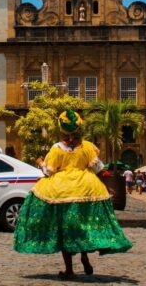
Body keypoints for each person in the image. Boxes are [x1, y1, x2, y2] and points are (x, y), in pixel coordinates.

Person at [13, 109, 132, 279]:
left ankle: (69, 269)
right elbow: (98, 168)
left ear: (62, 129)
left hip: (62, 191)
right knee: (82, 226)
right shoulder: (87, 146)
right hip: (87, 188)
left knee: (65, 229)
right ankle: (84, 256)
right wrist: (107, 186)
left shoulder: (56, 149)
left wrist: (40, 162)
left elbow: (48, 172)